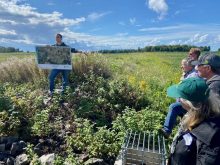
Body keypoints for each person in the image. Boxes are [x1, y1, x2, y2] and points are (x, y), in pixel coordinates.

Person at [166, 77, 220, 165]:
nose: (178, 100)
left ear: (188, 104)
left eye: (180, 97)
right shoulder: (208, 117)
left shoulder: (209, 138)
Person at [161, 58, 199, 138]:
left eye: (183, 65)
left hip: (190, 104)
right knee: (184, 122)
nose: (181, 66)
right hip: (185, 102)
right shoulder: (188, 73)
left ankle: (167, 130)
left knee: (174, 107)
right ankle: (180, 135)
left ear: (189, 66)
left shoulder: (193, 75)